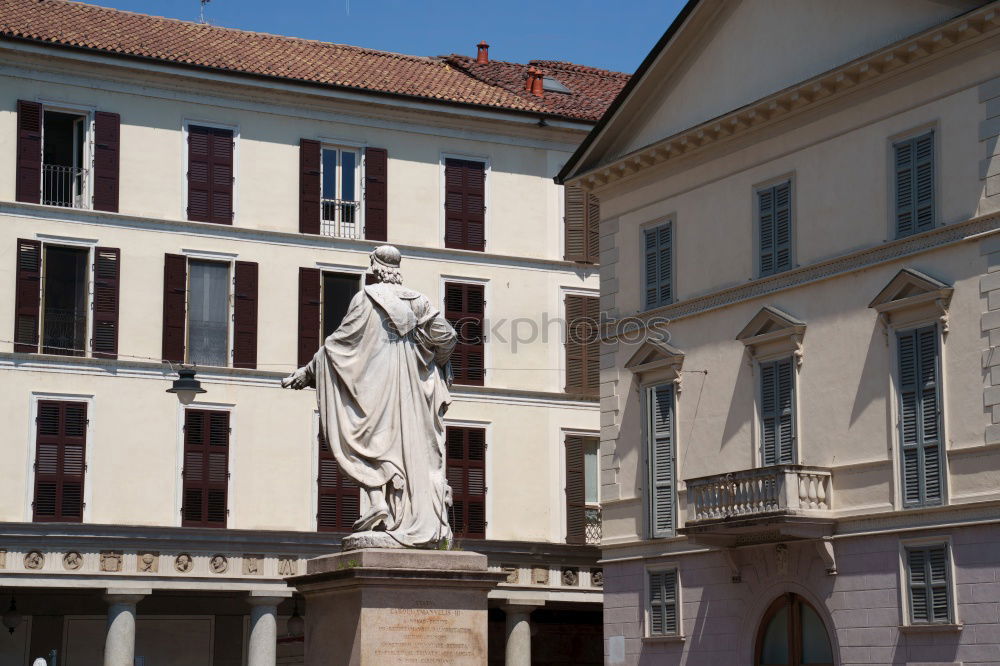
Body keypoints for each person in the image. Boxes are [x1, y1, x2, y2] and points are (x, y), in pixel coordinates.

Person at [283, 245, 457, 548]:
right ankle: (403, 515)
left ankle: (383, 506)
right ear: (397, 269)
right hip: (414, 390)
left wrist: (308, 372)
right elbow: (448, 337)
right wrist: (431, 361)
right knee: (409, 450)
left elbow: (338, 345)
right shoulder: (420, 302)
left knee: (373, 444)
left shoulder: (366, 298)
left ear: (376, 267)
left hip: (378, 386)